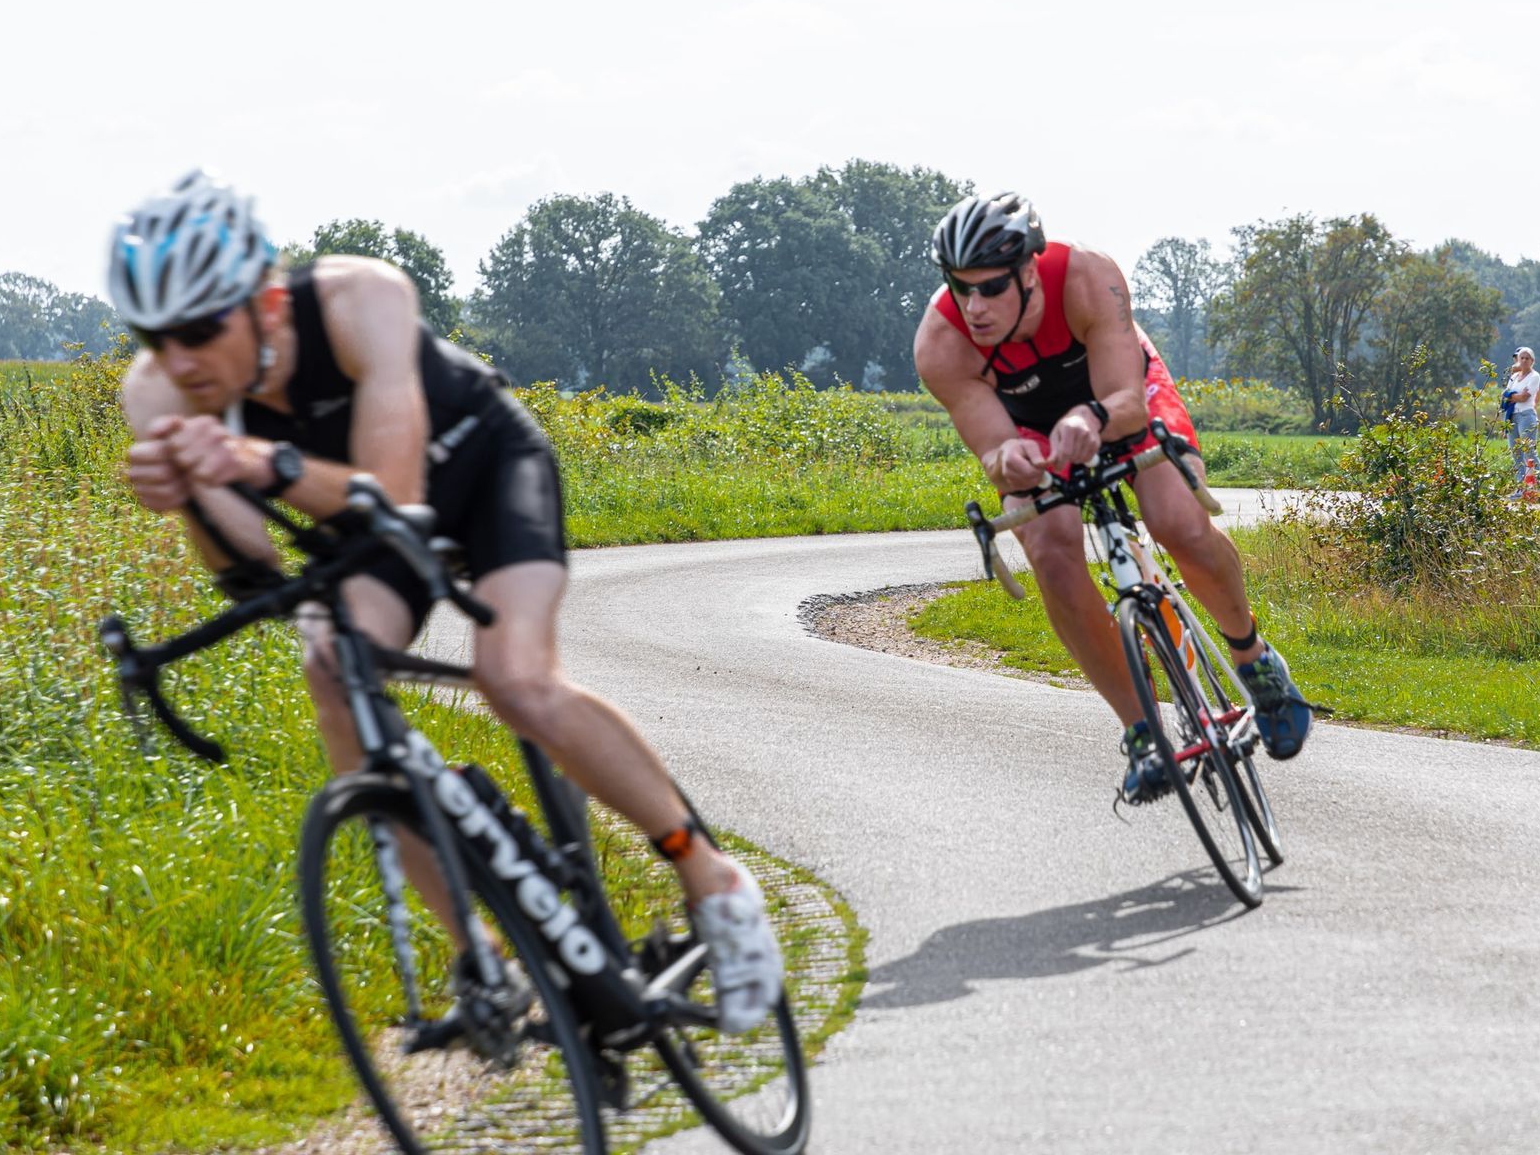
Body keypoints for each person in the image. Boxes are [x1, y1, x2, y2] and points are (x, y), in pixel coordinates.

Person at [110, 171, 782, 1031]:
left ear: (267, 302)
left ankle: (711, 878)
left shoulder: (362, 299)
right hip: (359, 530)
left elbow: (392, 493)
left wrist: (252, 462)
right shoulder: (157, 396)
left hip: (480, 469)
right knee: (333, 674)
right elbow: (252, 571)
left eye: (201, 329)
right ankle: (483, 957)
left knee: (515, 680)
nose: (183, 359)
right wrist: (190, 497)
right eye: (156, 337)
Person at [912, 192, 1317, 803]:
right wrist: (1005, 457)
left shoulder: (1086, 277)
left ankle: (1253, 658)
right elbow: (993, 445)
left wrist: (1093, 416)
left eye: (991, 287)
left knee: (1176, 520)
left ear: (1028, 269)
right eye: (959, 287)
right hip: (1030, 423)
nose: (974, 306)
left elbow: (1126, 400)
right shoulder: (941, 344)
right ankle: (1142, 730)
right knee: (1050, 552)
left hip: (1116, 393)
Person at [1504, 347, 1540, 476]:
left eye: (1527, 358)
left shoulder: (1534, 376)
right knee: (1516, 452)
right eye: (1522, 358)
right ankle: (1521, 484)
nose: (1524, 360)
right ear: (1518, 360)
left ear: (1532, 361)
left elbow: (1525, 397)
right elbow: (1505, 395)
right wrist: (1515, 396)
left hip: (1526, 415)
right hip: (1512, 416)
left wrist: (1512, 396)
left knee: (1528, 450)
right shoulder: (1514, 377)